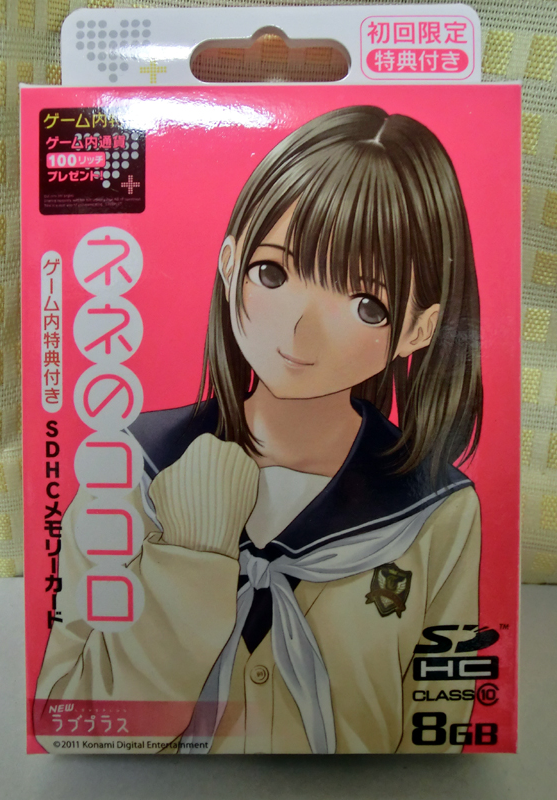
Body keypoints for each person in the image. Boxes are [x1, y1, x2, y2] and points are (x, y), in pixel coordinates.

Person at [36, 105, 483, 754]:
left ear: (419, 328)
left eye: (366, 303)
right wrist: (189, 558)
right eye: (273, 272)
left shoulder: (436, 510)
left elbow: (435, 736)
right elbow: (72, 727)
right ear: (229, 261)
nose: (300, 327)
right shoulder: (131, 465)